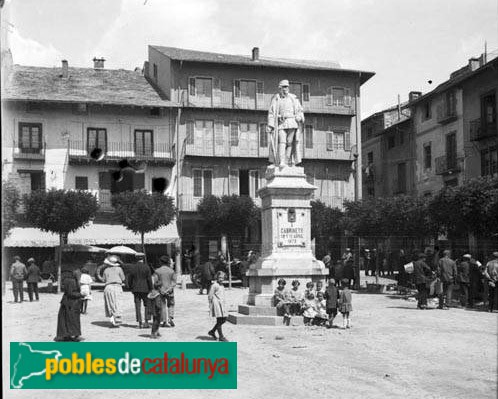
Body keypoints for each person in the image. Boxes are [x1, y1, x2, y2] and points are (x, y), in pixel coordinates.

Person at [267, 79, 305, 167]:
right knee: (282, 141)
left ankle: (288, 161)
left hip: (292, 122)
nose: (285, 89)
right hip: (281, 123)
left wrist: (299, 117)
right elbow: (271, 113)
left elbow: (300, 110)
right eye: (284, 87)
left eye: (287, 87)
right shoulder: (276, 99)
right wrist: (270, 125)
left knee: (289, 142)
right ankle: (282, 161)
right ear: (280, 88)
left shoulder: (293, 98)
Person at [55, 270, 83, 341]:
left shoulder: (68, 280)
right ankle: (72, 335)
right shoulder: (72, 282)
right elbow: (70, 293)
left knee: (65, 320)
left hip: (67, 303)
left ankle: (66, 335)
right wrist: (81, 295)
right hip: (70, 303)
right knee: (72, 320)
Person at [128, 252, 152, 328]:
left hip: (136, 289)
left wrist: (131, 287)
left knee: (137, 306)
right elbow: (149, 279)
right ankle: (147, 322)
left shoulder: (132, 267)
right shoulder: (146, 267)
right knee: (147, 305)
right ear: (143, 258)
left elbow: (129, 279)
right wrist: (151, 288)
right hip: (145, 289)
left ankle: (140, 323)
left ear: (136, 259)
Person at [102, 255, 126, 326]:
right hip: (117, 286)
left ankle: (112, 319)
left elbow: (104, 280)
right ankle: (117, 318)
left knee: (110, 303)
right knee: (118, 302)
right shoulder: (119, 269)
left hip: (108, 287)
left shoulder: (106, 270)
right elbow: (123, 278)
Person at [155, 255, 177, 327]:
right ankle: (170, 318)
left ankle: (164, 321)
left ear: (160, 262)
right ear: (167, 262)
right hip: (170, 291)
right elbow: (174, 282)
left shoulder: (157, 271)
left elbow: (155, 282)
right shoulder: (171, 271)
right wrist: (169, 289)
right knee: (171, 305)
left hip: (161, 291)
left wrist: (161, 290)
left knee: (163, 306)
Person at [208, 271, 229, 341]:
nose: (221, 279)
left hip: (222, 305)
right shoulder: (214, 285)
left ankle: (212, 331)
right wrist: (210, 305)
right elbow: (210, 295)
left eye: (222, 278)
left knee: (224, 319)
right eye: (220, 278)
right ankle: (221, 336)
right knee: (219, 320)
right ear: (217, 277)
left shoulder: (222, 285)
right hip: (216, 304)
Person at [148, 266, 163, 339]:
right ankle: (153, 333)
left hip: (152, 304)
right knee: (156, 320)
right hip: (156, 307)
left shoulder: (152, 292)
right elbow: (158, 303)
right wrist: (159, 308)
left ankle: (156, 332)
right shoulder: (157, 293)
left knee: (155, 319)